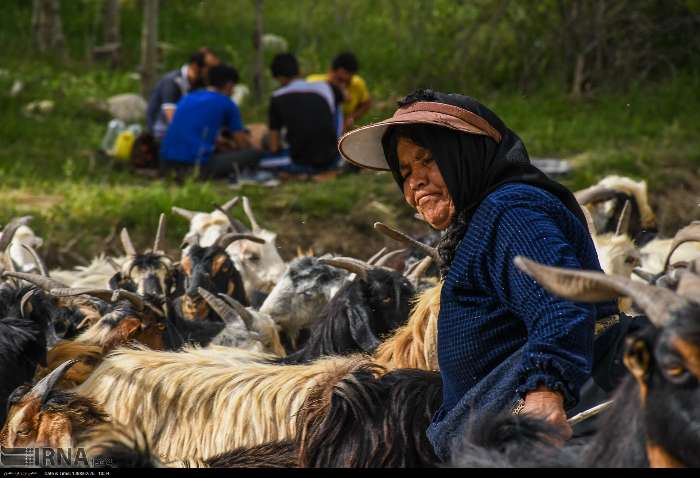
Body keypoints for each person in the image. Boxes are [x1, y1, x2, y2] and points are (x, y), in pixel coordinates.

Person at [337, 89, 628, 462]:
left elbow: (562, 299)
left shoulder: (509, 211)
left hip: (539, 431)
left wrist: (544, 392)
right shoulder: (483, 219)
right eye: (405, 171)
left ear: (465, 156)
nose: (415, 182)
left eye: (428, 159)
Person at [159, 64, 265, 183]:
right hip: (195, 168)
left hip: (165, 166)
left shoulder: (188, 97)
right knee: (254, 154)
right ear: (229, 85)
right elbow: (242, 144)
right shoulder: (227, 103)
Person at [265, 53, 342, 177]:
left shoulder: (277, 97)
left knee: (260, 160)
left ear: (278, 77)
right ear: (299, 70)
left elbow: (273, 146)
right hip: (333, 159)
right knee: (337, 105)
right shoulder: (325, 87)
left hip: (301, 162)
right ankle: (339, 153)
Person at [146, 49, 221, 140]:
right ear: (195, 67)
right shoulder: (173, 81)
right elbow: (171, 118)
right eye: (209, 69)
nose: (211, 74)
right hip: (161, 133)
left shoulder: (198, 84)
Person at [308, 52, 371, 132]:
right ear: (330, 71)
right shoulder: (313, 83)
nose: (343, 85)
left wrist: (351, 117)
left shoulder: (357, 84)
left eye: (347, 82)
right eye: (339, 80)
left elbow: (366, 103)